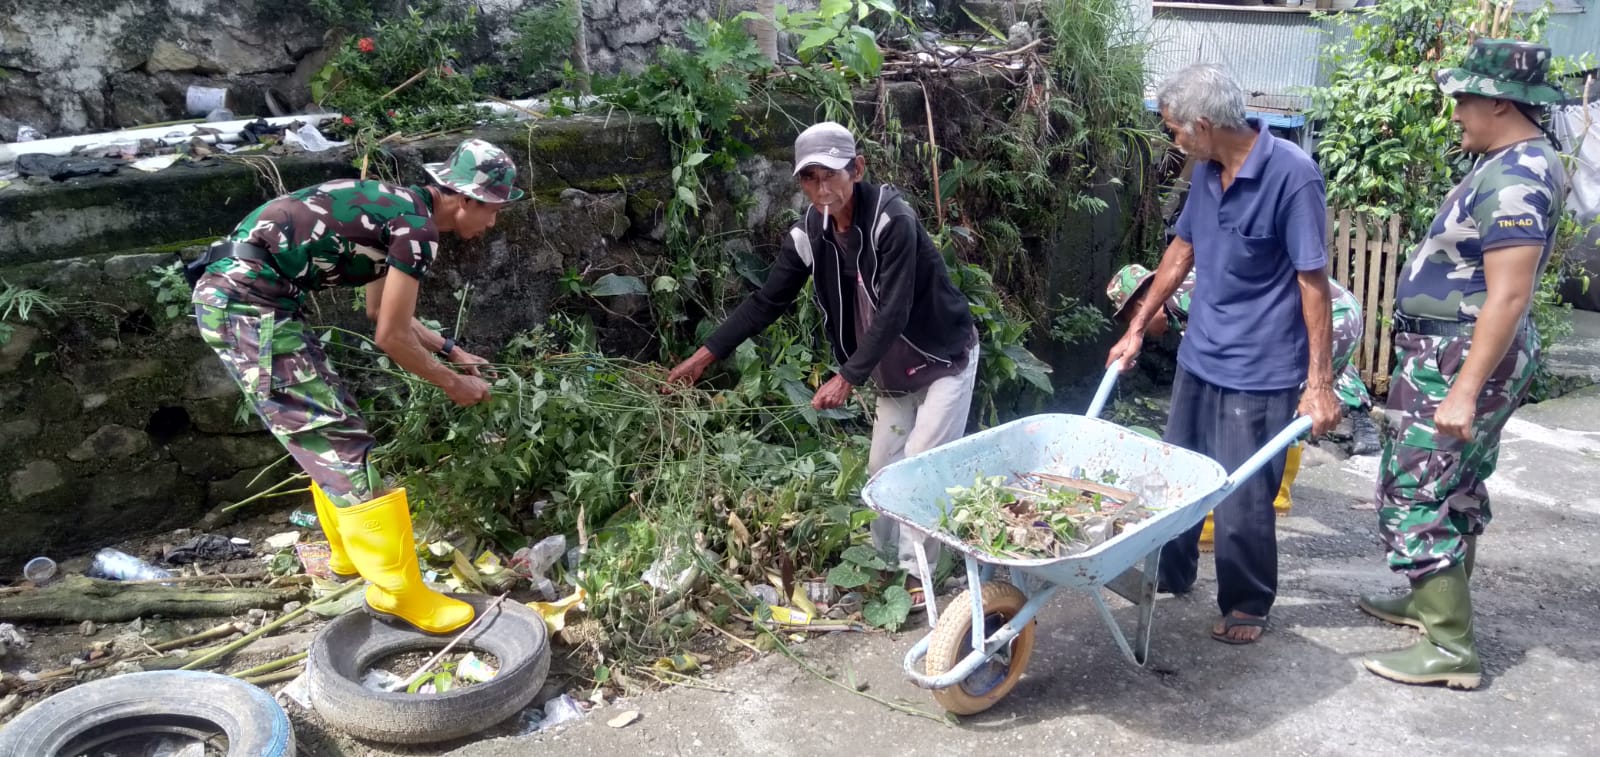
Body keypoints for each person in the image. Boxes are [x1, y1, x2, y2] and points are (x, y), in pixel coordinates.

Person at [190, 138, 525, 635]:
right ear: (463, 198)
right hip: (248, 308)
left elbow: (379, 313)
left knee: (322, 432)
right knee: (339, 438)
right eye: (492, 209)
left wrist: (450, 350)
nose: (492, 223)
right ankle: (398, 592)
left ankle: (346, 561)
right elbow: (389, 337)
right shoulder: (418, 231)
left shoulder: (399, 208)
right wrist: (453, 385)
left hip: (247, 300)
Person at [666, 121, 979, 611]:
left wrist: (846, 377)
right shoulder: (811, 233)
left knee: (920, 463)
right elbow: (766, 301)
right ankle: (882, 567)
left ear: (857, 169)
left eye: (831, 174)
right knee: (881, 468)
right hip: (891, 372)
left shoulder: (892, 222)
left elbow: (894, 311)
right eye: (809, 178)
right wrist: (706, 355)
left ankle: (918, 575)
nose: (821, 189)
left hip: (943, 359)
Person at [1106, 64, 1342, 645]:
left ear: (1204, 124)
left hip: (1261, 369)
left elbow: (1314, 282)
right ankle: (1175, 571)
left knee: (1241, 495)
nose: (1173, 140)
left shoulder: (1294, 176)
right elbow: (1179, 253)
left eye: (1175, 130)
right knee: (1180, 476)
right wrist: (1137, 326)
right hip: (1200, 355)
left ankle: (1247, 602)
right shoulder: (1207, 173)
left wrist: (1319, 382)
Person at [1359, 39, 1567, 689]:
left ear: (1500, 102)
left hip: (1456, 356)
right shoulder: (1519, 160)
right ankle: (1430, 605)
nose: (1456, 114)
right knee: (1455, 484)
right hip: (1457, 351)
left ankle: (1451, 648)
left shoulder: (1516, 176)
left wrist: (1463, 391)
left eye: (1464, 100)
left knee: (1416, 489)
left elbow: (1508, 292)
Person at [1104, 263, 1381, 549]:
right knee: (1289, 405)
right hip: (1333, 312)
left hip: (1326, 317)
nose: (1141, 331)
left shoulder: (1188, 296)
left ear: (1141, 304)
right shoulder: (1185, 291)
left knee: (1255, 412)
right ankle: (1277, 497)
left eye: (1134, 321)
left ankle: (1217, 523)